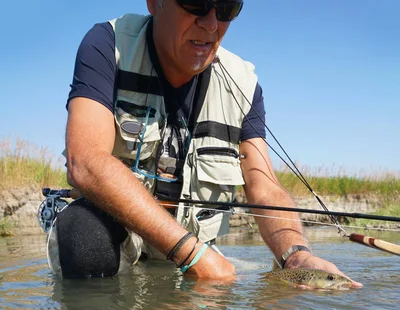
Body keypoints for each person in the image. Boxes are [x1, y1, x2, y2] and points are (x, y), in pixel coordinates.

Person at [49, 0, 361, 287]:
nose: (211, 24)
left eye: (226, 8)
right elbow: (86, 161)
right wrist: (192, 255)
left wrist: (296, 256)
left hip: (195, 250)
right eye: (196, 3)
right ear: (153, 2)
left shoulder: (244, 84)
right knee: (82, 233)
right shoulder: (108, 44)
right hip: (127, 241)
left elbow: (263, 185)